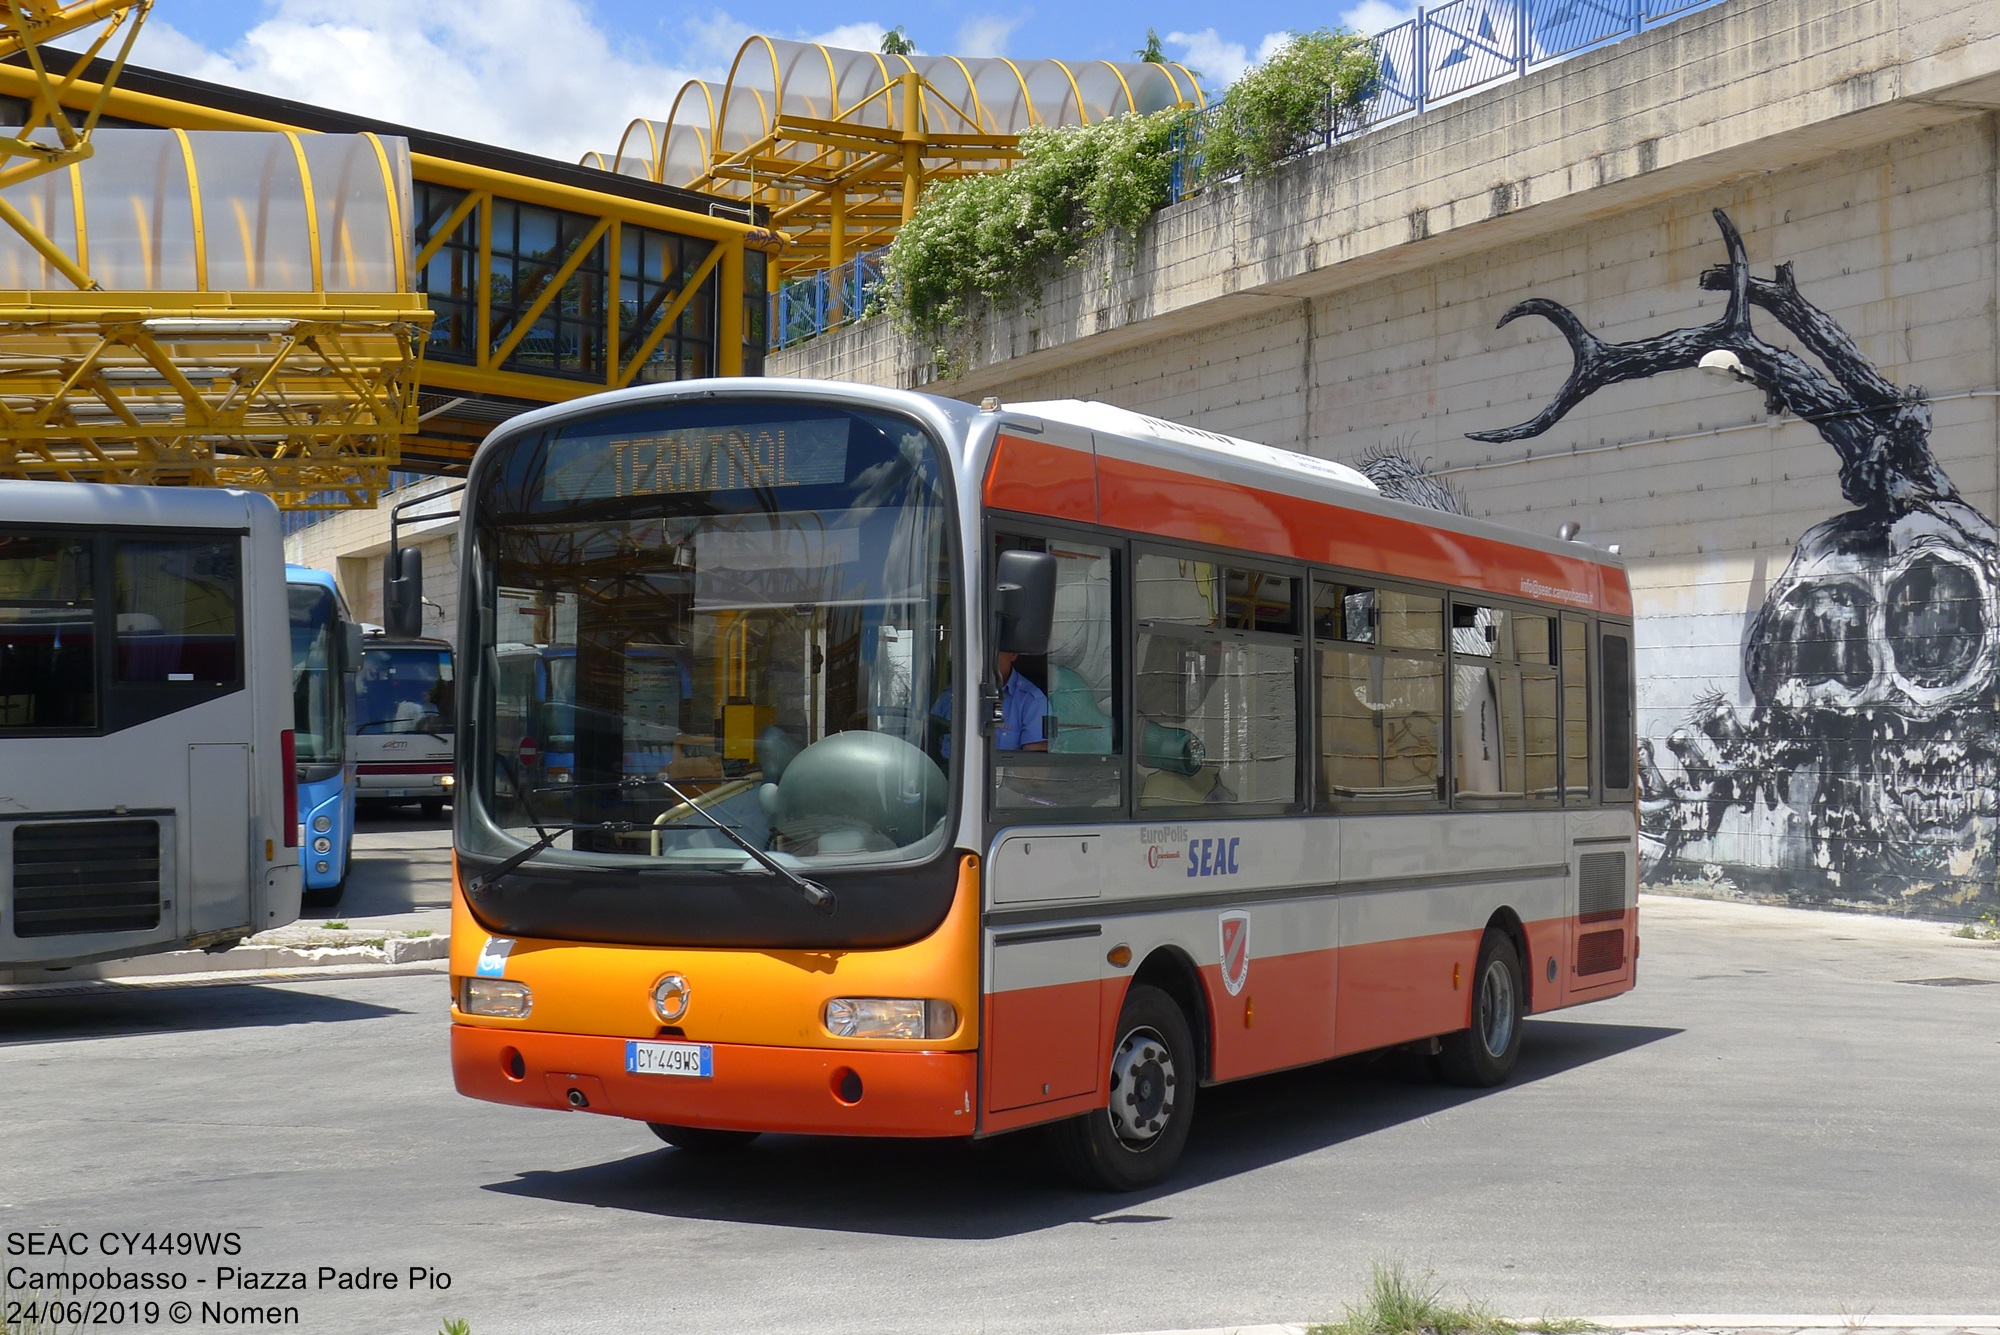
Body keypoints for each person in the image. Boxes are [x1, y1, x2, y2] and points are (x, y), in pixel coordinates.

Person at [932, 649, 1049, 757]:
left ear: (1013, 654)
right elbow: (929, 743)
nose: (985, 658)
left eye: (994, 651)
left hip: (997, 773)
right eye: (980, 651)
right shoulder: (951, 695)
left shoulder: (1032, 702)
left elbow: (1034, 767)